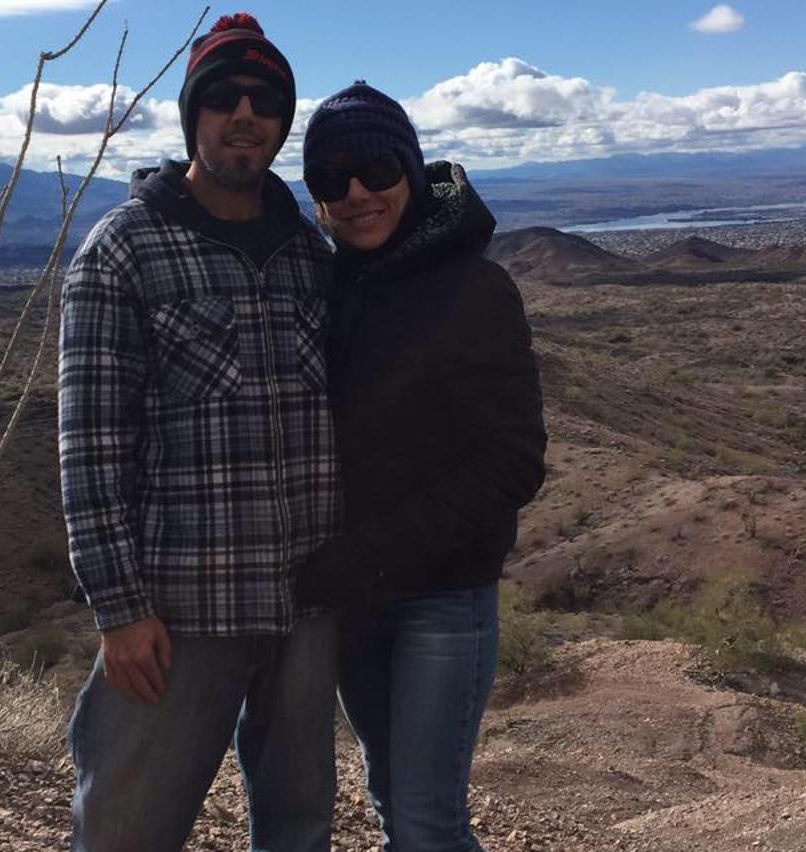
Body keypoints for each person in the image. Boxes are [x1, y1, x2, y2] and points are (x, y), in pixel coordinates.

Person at [58, 13, 339, 852]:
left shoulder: (308, 253)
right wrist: (118, 608)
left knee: (300, 825)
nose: (245, 114)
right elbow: (89, 448)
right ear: (193, 115)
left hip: (308, 600)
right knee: (127, 829)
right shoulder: (124, 250)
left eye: (265, 100)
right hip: (181, 610)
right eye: (224, 97)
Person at [296, 82, 548, 852]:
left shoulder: (475, 289)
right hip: (352, 602)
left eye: (376, 169)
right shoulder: (326, 289)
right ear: (317, 198)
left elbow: (513, 461)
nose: (357, 192)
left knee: (426, 823)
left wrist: (366, 554)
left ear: (410, 169)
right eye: (332, 178)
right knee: (392, 802)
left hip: (442, 598)